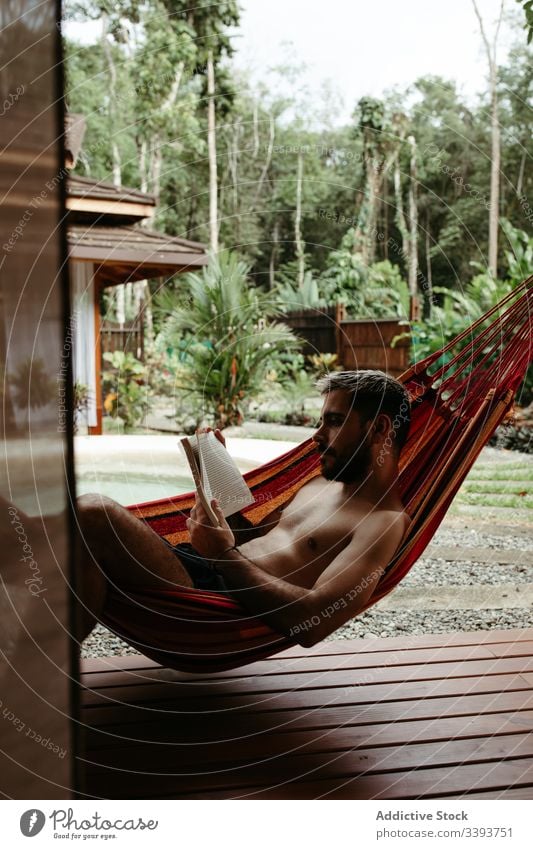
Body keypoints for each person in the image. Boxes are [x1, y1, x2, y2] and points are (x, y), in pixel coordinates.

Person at [76, 370, 411, 648]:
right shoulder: (318, 486)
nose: (316, 436)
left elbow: (314, 621)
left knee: (93, 515)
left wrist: (222, 557)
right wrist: (217, 477)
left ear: (380, 428)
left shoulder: (383, 523)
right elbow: (249, 538)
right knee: (67, 542)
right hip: (198, 567)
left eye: (334, 422)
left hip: (214, 604)